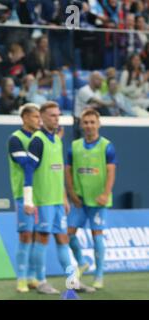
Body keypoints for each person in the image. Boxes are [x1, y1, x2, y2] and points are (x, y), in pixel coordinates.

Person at [25, 101, 94, 294]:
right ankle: (40, 281)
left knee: (63, 240)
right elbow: (28, 170)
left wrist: (64, 197)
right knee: (42, 239)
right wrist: (29, 199)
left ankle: (73, 282)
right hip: (43, 201)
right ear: (43, 117)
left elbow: (58, 172)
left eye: (58, 115)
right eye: (52, 115)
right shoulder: (37, 140)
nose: (56, 118)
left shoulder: (57, 140)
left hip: (57, 201)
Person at [66, 108, 117, 290]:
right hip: (79, 200)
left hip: (98, 201)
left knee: (97, 237)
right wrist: (71, 193)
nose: (89, 126)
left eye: (92, 122)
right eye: (85, 122)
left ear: (98, 124)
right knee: (68, 234)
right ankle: (81, 262)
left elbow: (111, 172)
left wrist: (105, 193)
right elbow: (68, 171)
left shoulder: (107, 146)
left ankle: (99, 275)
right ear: (81, 125)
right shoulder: (74, 146)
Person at [7, 103, 41, 293]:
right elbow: (27, 164)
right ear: (25, 118)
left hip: (41, 194)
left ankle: (33, 277)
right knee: (26, 235)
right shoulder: (16, 139)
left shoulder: (39, 138)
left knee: (37, 236)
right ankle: (21, 278)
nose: (38, 120)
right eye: (35, 117)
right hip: (22, 193)